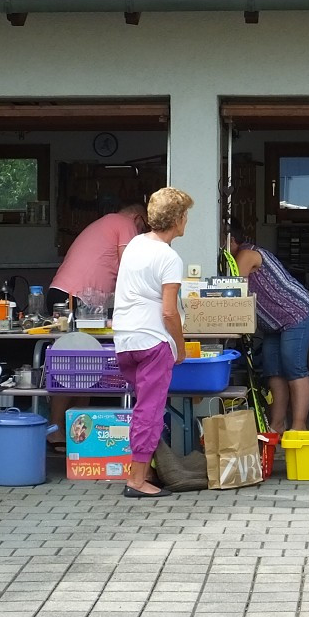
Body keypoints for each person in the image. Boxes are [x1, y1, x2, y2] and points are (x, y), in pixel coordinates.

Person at [112, 187, 194, 498]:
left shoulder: (135, 244)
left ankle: (145, 470)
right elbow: (169, 312)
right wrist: (180, 346)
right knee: (151, 410)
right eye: (186, 216)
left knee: (142, 408)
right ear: (178, 220)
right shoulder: (169, 257)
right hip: (152, 341)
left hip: (125, 339)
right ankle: (136, 481)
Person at [45, 202, 147, 447]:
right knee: (72, 367)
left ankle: (76, 434)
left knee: (87, 367)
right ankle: (56, 429)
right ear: (138, 218)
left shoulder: (104, 224)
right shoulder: (124, 223)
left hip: (67, 295)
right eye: (144, 227)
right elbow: (129, 267)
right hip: (74, 298)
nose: (142, 233)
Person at [228, 221, 309, 433]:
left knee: (295, 370)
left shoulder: (246, 255)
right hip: (273, 324)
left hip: (295, 314)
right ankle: (276, 427)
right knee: (274, 373)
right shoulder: (237, 257)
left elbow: (233, 289)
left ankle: (298, 427)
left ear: (232, 241)